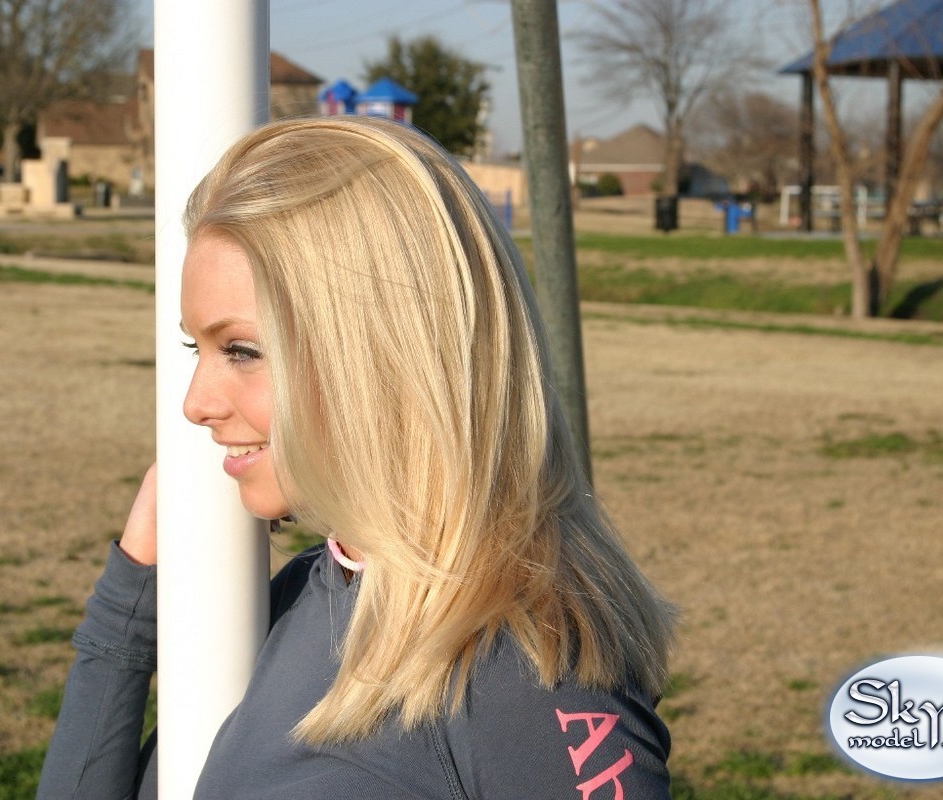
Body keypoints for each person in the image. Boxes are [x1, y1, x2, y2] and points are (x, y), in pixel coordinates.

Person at [37, 116, 676, 799]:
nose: (196, 404)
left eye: (243, 351)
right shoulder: (305, 595)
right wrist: (127, 612)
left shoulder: (529, 676)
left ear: (381, 354)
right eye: (200, 349)